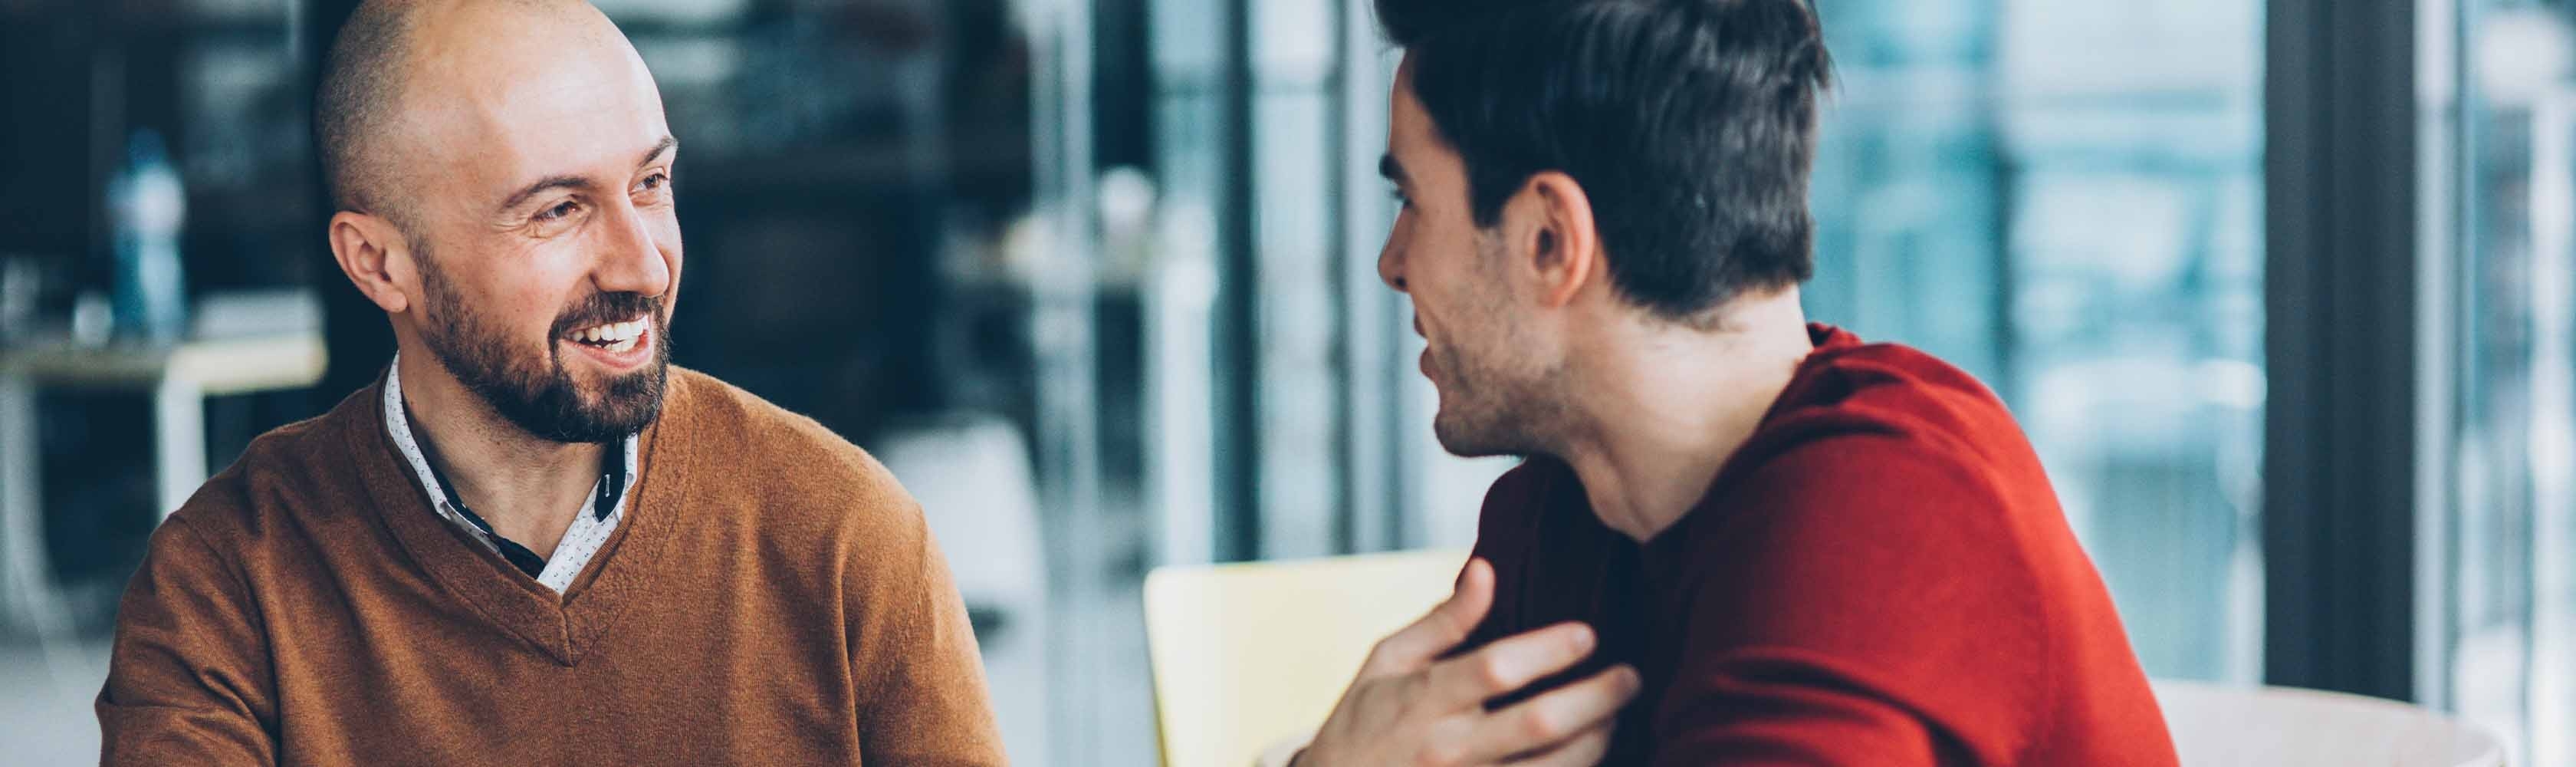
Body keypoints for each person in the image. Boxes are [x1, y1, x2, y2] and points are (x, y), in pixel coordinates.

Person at [94, 1, 1005, 763]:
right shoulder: (228, 586)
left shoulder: (845, 536)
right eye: (559, 210)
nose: (645, 264)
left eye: (651, 182)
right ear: (377, 262)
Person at [1293, 0, 2179, 764]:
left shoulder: (1895, 511)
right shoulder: (1553, 518)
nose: (1391, 261)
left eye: (1409, 200)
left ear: (1549, 241)